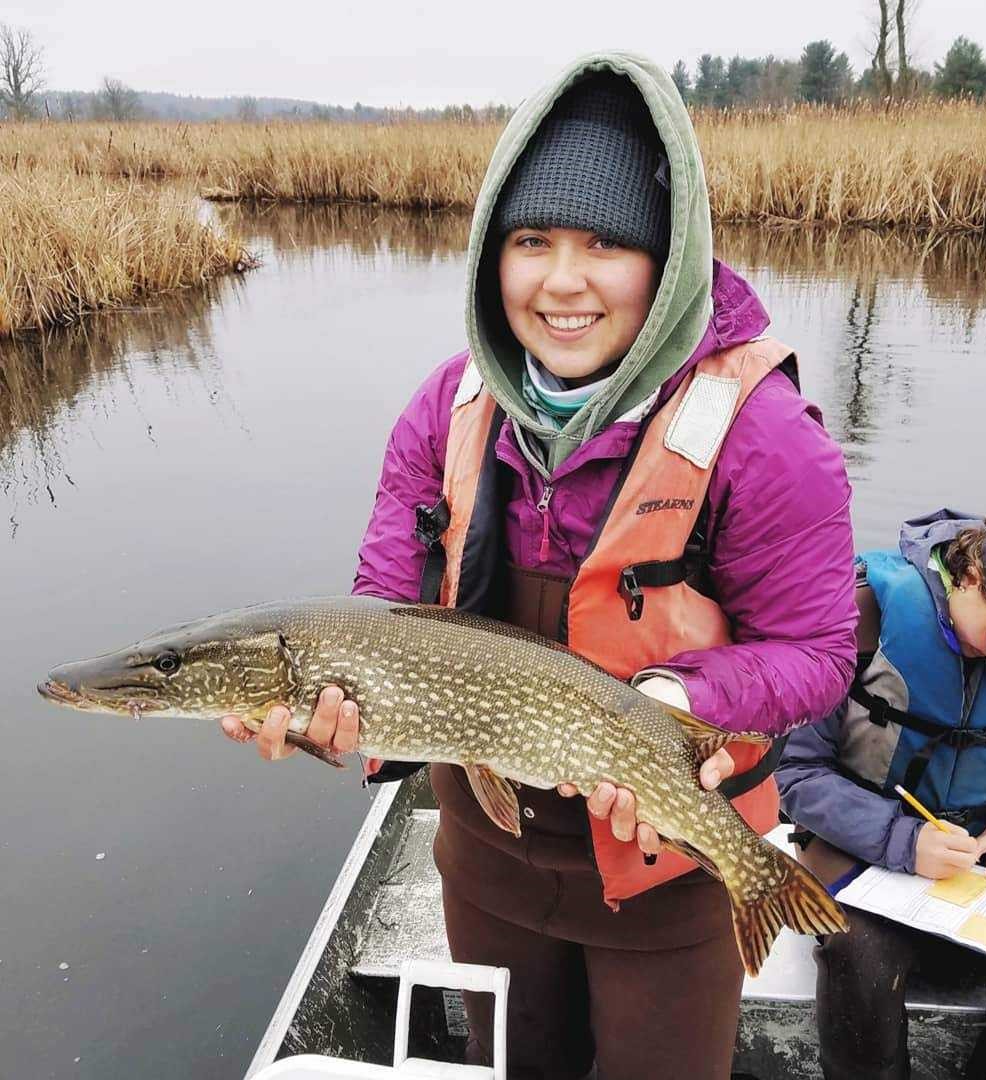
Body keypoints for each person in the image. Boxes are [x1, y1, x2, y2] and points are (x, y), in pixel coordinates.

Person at [223, 51, 857, 1079]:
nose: (563, 281)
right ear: (492, 257)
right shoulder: (447, 408)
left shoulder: (765, 440)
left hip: (673, 869)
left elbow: (823, 653)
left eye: (604, 242)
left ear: (667, 257)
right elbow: (386, 617)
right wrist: (333, 719)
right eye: (532, 241)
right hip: (490, 869)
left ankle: (755, 886)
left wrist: (671, 698)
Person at [777, 504, 986, 1080]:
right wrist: (902, 840)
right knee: (859, 957)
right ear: (969, 577)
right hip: (859, 835)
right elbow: (793, 773)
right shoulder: (855, 617)